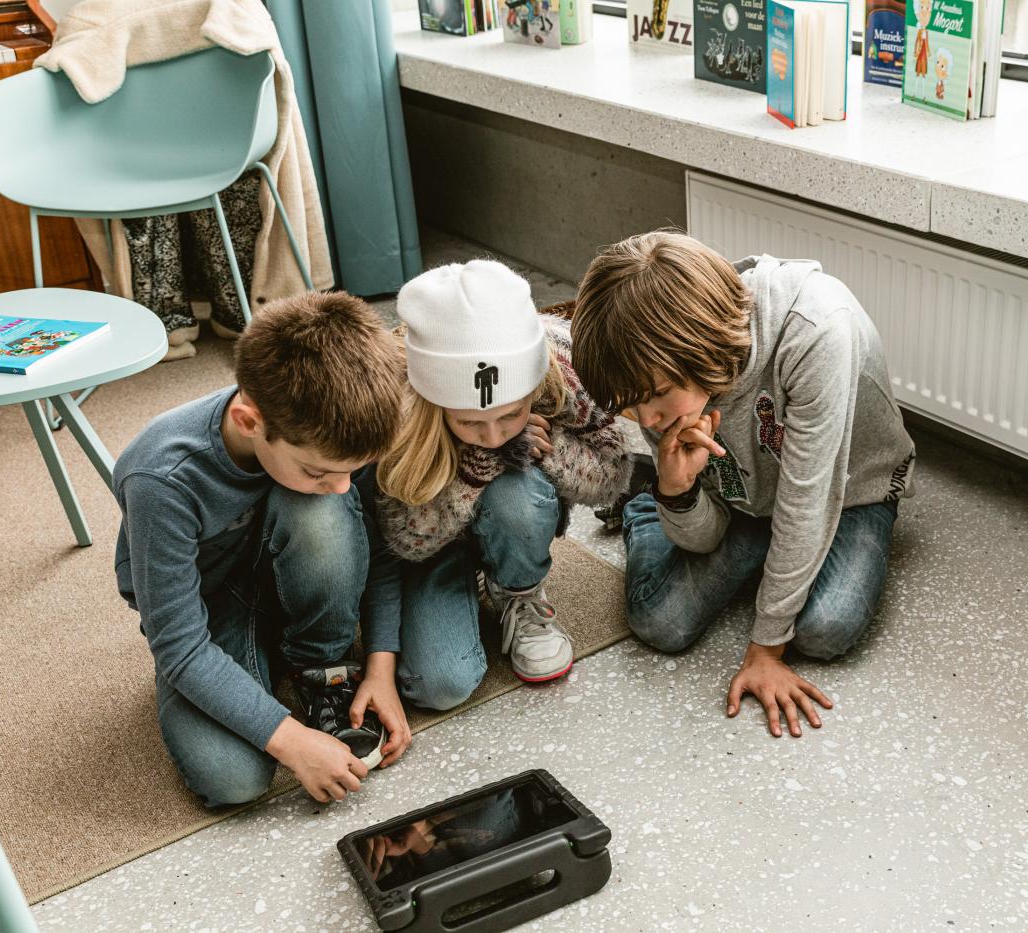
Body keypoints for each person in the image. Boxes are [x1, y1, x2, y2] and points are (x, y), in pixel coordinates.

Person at [570, 231, 916, 738]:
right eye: (629, 407)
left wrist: (765, 650)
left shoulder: (816, 330)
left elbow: (808, 504)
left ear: (697, 345)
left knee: (826, 629)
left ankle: (743, 546)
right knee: (661, 624)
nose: (649, 419)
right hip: (743, 497)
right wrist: (676, 491)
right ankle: (647, 504)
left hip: (846, 491)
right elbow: (704, 537)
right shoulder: (653, 378)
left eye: (659, 397)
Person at [113, 292, 411, 807]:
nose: (344, 487)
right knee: (234, 780)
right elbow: (179, 644)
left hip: (297, 565)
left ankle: (323, 667)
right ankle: (266, 665)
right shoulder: (161, 476)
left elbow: (377, 550)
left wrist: (381, 668)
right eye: (319, 471)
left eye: (351, 471)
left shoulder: (338, 438)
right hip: (212, 613)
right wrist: (292, 740)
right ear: (250, 421)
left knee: (323, 514)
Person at [376, 260, 632, 704]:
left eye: (511, 414)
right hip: (435, 541)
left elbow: (614, 478)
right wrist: (472, 467)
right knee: (440, 685)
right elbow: (403, 540)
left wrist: (553, 448)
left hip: (518, 509)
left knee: (515, 487)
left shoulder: (562, 363)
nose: (494, 435)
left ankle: (520, 590)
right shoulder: (397, 399)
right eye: (470, 422)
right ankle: (467, 579)